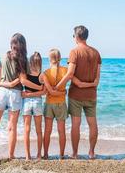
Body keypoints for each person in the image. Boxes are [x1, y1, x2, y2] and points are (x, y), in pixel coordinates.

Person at [0, 33, 43, 159]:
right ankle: (11, 155)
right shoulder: (23, 60)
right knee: (12, 127)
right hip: (15, 94)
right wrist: (40, 87)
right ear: (23, 45)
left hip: (2, 92)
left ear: (11, 43)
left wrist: (5, 84)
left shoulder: (3, 56)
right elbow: (23, 81)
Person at [55, 25, 102, 159]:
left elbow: (70, 74)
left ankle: (75, 154)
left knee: (76, 124)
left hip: (76, 94)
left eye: (73, 35)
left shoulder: (74, 52)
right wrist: (91, 84)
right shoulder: (96, 53)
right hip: (91, 94)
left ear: (76, 36)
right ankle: (91, 153)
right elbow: (97, 77)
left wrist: (58, 86)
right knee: (93, 123)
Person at [42, 49, 68, 159]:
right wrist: (63, 91)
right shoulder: (65, 71)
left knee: (47, 131)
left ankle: (46, 154)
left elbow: (44, 89)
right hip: (61, 103)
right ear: (60, 58)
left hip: (49, 104)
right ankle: (61, 155)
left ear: (49, 59)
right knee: (61, 131)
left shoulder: (46, 73)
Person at [21, 52, 46, 160]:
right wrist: (35, 93)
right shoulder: (42, 75)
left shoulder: (26, 73)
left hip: (26, 101)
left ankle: (27, 156)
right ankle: (39, 155)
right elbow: (44, 92)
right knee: (39, 130)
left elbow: (23, 82)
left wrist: (28, 94)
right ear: (40, 62)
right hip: (37, 102)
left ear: (30, 62)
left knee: (26, 130)